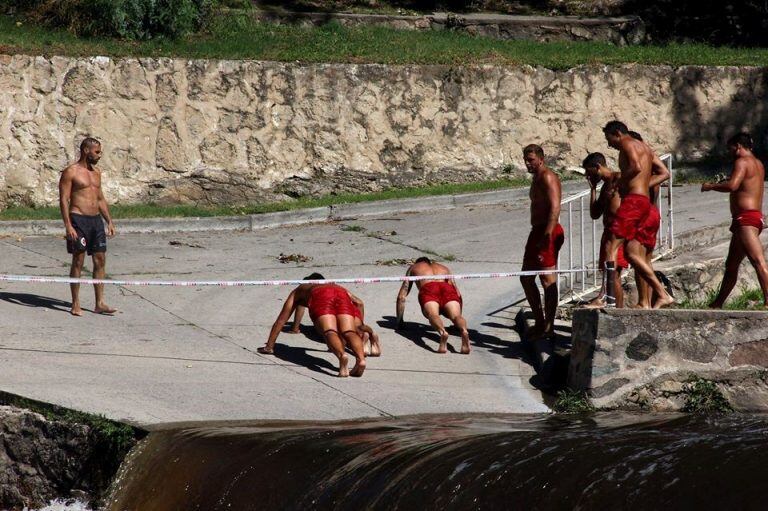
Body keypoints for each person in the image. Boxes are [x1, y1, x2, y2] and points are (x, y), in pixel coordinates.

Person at [602, 121, 674, 309]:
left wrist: (621, 183)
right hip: (644, 203)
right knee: (632, 253)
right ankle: (658, 295)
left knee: (611, 245)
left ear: (617, 133)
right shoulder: (646, 148)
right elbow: (665, 172)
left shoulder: (627, 143)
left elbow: (635, 167)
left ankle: (608, 299)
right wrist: (643, 185)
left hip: (633, 202)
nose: (610, 145)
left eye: (609, 139)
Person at [702, 132, 768, 308]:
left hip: (746, 218)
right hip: (748, 218)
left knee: (758, 261)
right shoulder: (758, 163)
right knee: (731, 265)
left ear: (738, 146)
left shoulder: (742, 162)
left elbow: (732, 185)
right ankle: (717, 303)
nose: (729, 151)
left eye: (730, 147)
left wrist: (710, 186)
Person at [258, 274, 367, 377]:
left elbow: (281, 320)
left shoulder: (300, 289)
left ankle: (342, 356)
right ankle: (361, 359)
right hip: (341, 294)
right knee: (349, 331)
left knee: (329, 331)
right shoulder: (335, 285)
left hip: (321, 296)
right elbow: (359, 303)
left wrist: (269, 346)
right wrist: (360, 328)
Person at [58, 137, 116, 316]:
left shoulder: (96, 172)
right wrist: (68, 225)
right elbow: (64, 199)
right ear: (86, 150)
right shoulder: (71, 172)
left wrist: (109, 221)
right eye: (97, 152)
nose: (100, 155)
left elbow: (100, 199)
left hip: (95, 221)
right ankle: (75, 303)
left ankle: (99, 303)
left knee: (100, 260)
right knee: (78, 260)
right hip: (78, 219)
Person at [520, 144, 564, 339]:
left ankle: (548, 326)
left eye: (530, 160)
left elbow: (555, 207)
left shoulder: (548, 176)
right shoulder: (536, 177)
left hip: (548, 231)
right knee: (526, 277)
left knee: (547, 280)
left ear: (540, 158)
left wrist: (547, 234)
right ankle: (540, 321)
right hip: (537, 231)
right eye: (525, 160)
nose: (527, 163)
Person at [628, 130, 671, 309]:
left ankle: (650, 298)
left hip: (645, 214)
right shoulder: (649, 159)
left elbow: (661, 175)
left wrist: (636, 185)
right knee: (644, 260)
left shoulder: (645, 161)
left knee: (637, 256)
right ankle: (646, 300)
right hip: (650, 213)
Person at [396, 257, 470, 354]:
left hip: (429, 288)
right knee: (456, 316)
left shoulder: (414, 267)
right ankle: (464, 331)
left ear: (418, 262)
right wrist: (457, 321)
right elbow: (458, 294)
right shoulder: (444, 268)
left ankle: (443, 332)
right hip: (447, 288)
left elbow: (401, 297)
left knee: (433, 315)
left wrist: (399, 322)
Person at [583, 152, 627, 308]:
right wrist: (593, 189)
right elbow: (595, 213)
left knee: (613, 273)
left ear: (597, 167)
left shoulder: (619, 179)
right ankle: (608, 301)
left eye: (589, 172)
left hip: (619, 231)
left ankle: (618, 309)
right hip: (608, 231)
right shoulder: (605, 186)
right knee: (608, 271)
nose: (587, 175)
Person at [290, 297, 381, 356]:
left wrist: (295, 328)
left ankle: (343, 349)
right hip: (349, 308)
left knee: (334, 332)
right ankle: (368, 335)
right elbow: (359, 303)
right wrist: (361, 322)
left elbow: (300, 305)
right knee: (352, 330)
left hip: (334, 314)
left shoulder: (312, 293)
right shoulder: (338, 289)